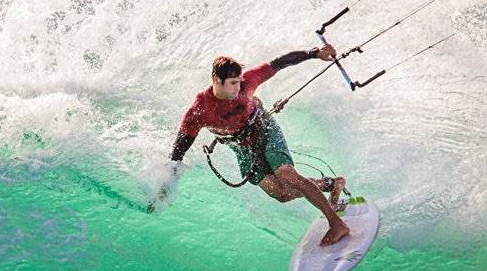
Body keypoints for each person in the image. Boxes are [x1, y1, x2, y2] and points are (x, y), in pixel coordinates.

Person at [150, 45, 350, 246]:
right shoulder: (199, 111)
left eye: (239, 81)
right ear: (216, 80)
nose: (238, 87)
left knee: (286, 174)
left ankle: (336, 224)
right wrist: (165, 186)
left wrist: (314, 53)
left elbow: (279, 63)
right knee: (281, 194)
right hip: (242, 148)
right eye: (233, 83)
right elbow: (177, 154)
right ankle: (331, 184)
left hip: (264, 129)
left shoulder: (247, 81)